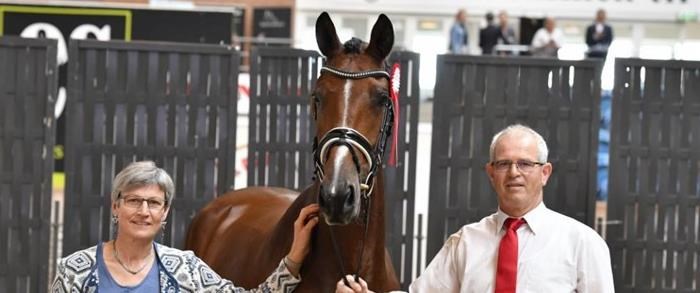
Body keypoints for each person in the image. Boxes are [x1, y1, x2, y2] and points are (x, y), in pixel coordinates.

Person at [336, 124, 614, 292]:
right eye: (503, 164)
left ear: (545, 173)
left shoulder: (582, 243)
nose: (514, 172)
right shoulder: (465, 242)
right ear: (491, 173)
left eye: (526, 164)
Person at [52, 161, 320, 292]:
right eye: (134, 200)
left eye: (154, 203)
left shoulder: (185, 269)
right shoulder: (75, 271)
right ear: (115, 206)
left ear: (164, 211)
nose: (144, 211)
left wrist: (294, 259)